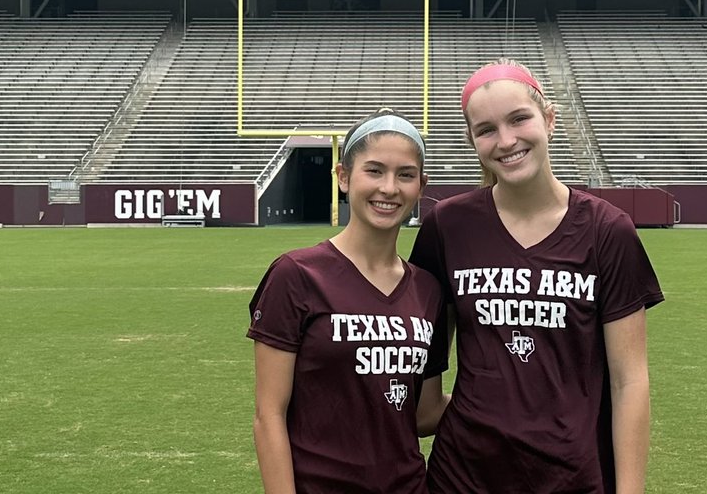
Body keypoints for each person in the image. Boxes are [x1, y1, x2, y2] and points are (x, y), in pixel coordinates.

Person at [410, 59, 664, 494]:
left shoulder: (607, 230)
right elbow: (423, 350)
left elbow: (630, 381)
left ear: (548, 118)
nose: (506, 140)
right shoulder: (448, 226)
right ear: (473, 141)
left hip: (571, 474)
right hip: (464, 475)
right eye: (486, 129)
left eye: (519, 119)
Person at [248, 111, 448, 494]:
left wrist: (508, 399)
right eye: (374, 171)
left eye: (405, 175)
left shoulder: (428, 289)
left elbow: (424, 412)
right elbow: (268, 415)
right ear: (343, 177)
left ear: (421, 187)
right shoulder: (296, 275)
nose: (389, 188)